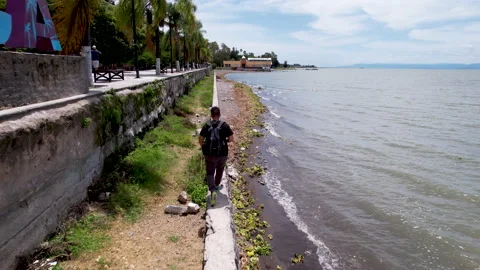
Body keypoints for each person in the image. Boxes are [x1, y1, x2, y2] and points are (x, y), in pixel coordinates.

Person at [199, 106, 234, 206]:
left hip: (209, 155)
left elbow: (200, 140)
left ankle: (213, 190)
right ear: (219, 115)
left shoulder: (206, 126)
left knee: (210, 173)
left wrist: (204, 147)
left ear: (211, 115)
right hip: (222, 154)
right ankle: (217, 186)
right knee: (220, 170)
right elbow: (231, 139)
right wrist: (224, 141)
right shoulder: (224, 125)